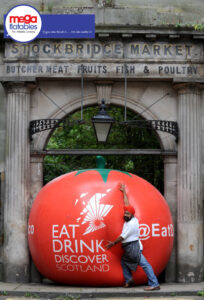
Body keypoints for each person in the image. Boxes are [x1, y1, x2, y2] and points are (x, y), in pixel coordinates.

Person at [105, 184, 160, 290]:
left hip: (132, 247)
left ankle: (154, 284)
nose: (125, 215)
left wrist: (113, 243)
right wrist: (124, 192)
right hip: (131, 247)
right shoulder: (131, 218)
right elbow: (127, 204)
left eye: (128, 214)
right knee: (124, 261)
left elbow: (122, 237)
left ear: (132, 215)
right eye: (125, 213)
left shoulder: (131, 224)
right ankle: (129, 280)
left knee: (144, 264)